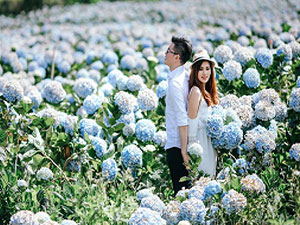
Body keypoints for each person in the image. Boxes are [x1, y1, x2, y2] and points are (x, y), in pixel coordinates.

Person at [164, 36, 192, 195]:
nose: (164, 53)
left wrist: (183, 151)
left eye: (168, 51)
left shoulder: (175, 84)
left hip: (177, 146)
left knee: (181, 194)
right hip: (182, 143)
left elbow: (182, 120)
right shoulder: (185, 77)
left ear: (176, 57)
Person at [188, 49, 219, 177]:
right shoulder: (195, 91)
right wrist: (192, 150)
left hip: (208, 140)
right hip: (200, 142)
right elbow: (192, 120)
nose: (205, 73)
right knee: (203, 177)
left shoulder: (206, 92)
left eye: (207, 68)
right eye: (201, 69)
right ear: (195, 71)